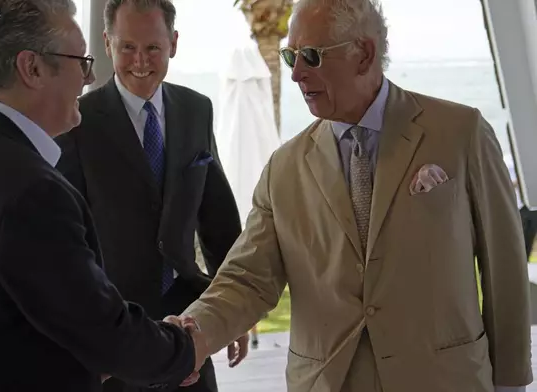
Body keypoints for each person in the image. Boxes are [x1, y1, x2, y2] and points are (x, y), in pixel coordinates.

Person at [175, 0, 533, 391]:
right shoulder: (284, 168)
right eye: (291, 56)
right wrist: (190, 335)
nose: (295, 74)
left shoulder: (461, 134)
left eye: (311, 56)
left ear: (364, 54)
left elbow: (503, 268)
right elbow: (247, 280)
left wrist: (511, 381)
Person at [0, 1, 208, 391]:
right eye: (81, 61)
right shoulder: (27, 187)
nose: (90, 79)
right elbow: (99, 331)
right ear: (33, 68)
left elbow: (24, 327)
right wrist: (185, 348)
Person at [55, 1, 247, 391]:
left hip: (190, 321)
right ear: (107, 44)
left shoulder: (197, 109)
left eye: (153, 48)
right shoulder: (75, 121)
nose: (140, 61)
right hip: (115, 330)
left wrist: (234, 309)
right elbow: (63, 240)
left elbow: (218, 221)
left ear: (173, 43)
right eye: (127, 47)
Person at [504, 153, 537, 260]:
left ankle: (524, 266)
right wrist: (520, 182)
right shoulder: (508, 161)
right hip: (517, 206)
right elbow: (504, 183)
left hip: (532, 206)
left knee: (529, 238)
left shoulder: (531, 160)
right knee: (517, 241)